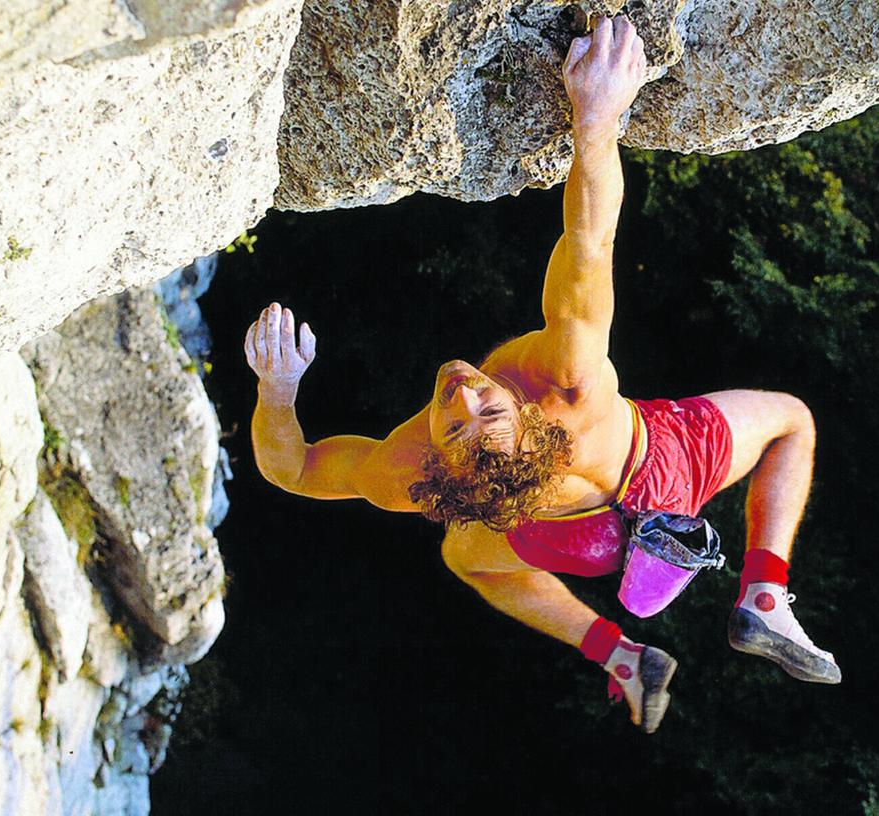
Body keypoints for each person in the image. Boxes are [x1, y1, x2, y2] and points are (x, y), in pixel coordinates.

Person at [243, 15, 839, 733]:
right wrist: (597, 117)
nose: (462, 392)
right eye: (483, 413)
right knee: (790, 421)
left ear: (441, 463)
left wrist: (277, 394)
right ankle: (763, 598)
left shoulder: (410, 469)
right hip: (664, 467)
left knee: (469, 557)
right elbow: (587, 241)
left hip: (575, 543)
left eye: (458, 422)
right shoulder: (566, 382)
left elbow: (294, 469)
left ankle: (621, 654)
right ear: (525, 419)